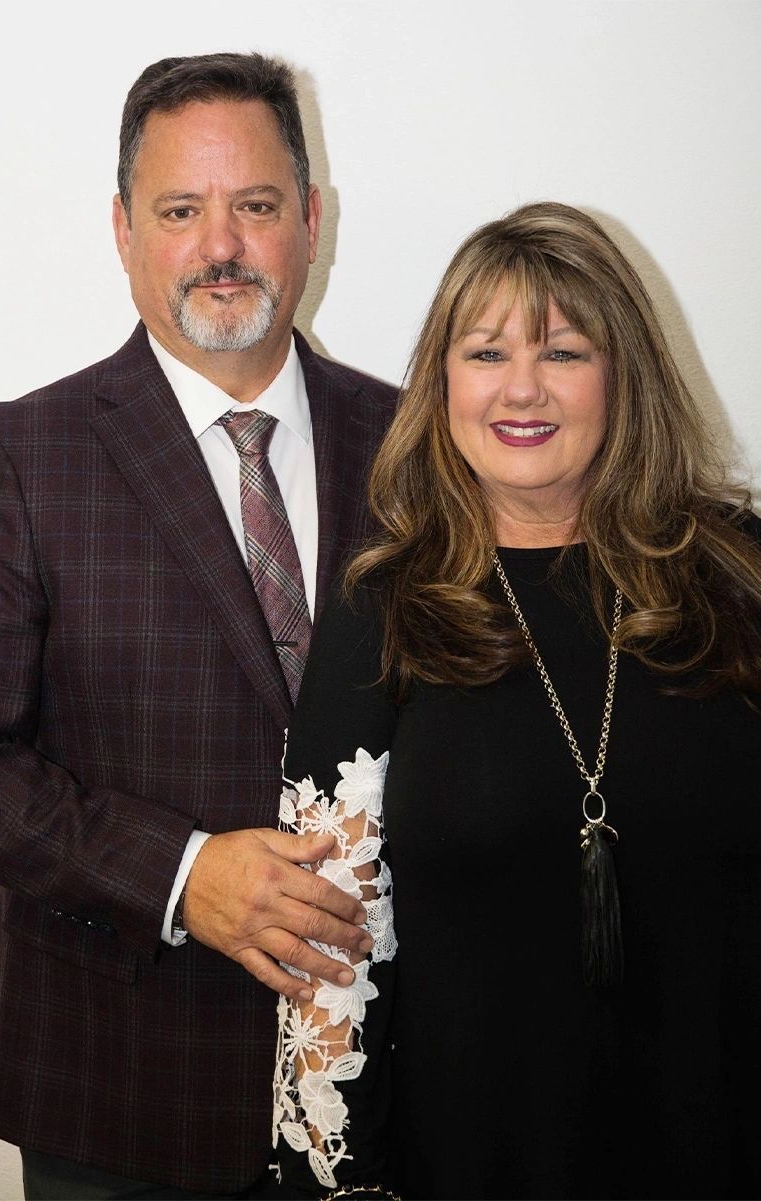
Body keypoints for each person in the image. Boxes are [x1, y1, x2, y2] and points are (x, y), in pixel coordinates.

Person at [0, 53, 396, 1199]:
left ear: (308, 217)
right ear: (123, 229)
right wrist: (183, 874)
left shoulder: (413, 444)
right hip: (118, 1092)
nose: (220, 246)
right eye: (180, 211)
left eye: (252, 205)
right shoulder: (13, 457)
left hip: (393, 1080)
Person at [272, 202, 761, 1200]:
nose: (521, 388)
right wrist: (341, 1184)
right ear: (441, 380)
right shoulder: (381, 605)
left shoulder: (736, 574)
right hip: (470, 1156)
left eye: (564, 351)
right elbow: (324, 947)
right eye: (485, 352)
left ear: (623, 373)